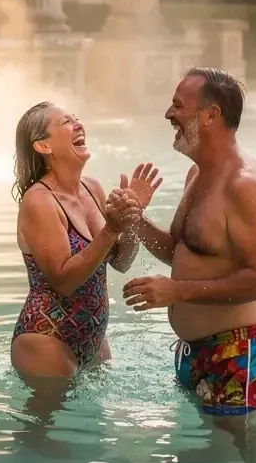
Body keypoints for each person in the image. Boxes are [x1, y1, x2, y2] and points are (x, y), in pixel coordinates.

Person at [124, 69, 256, 416]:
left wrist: (177, 292)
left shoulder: (246, 185)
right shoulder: (197, 174)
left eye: (178, 106)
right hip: (196, 351)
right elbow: (182, 252)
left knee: (236, 460)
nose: (169, 115)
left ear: (211, 115)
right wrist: (134, 218)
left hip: (240, 350)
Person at [12, 102, 161, 379]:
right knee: (43, 424)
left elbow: (121, 262)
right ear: (44, 146)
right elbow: (64, 281)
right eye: (66, 122)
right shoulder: (40, 201)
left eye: (77, 119)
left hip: (93, 338)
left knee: (94, 422)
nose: (79, 125)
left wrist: (129, 218)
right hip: (46, 339)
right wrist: (110, 229)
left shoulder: (91, 188)